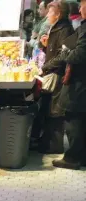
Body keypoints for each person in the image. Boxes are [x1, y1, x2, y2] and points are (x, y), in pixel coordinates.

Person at [53, 0, 86, 170]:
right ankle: (80, 157)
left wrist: (65, 51)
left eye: (82, 5)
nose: (80, 9)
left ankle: (72, 158)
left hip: (80, 83)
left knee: (74, 119)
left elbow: (79, 55)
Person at [38, 1, 74, 154]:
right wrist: (45, 46)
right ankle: (47, 143)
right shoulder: (56, 28)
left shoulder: (65, 29)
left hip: (58, 76)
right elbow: (55, 52)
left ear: (58, 14)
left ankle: (54, 146)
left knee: (55, 111)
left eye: (50, 13)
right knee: (49, 108)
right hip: (53, 72)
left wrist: (45, 67)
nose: (47, 16)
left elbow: (63, 56)